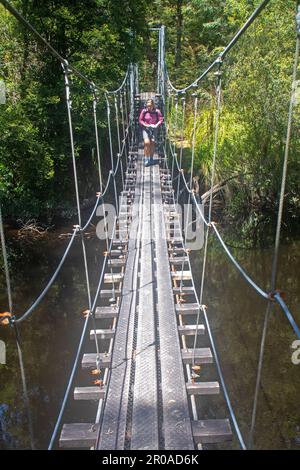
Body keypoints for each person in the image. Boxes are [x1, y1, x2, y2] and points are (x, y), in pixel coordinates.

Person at [139, 98, 163, 166]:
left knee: (152, 143)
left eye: (150, 105)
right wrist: (145, 124)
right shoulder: (144, 111)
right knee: (147, 143)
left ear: (153, 105)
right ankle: (146, 159)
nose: (149, 107)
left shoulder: (157, 111)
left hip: (154, 129)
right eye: (148, 105)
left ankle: (151, 159)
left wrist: (156, 125)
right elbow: (140, 120)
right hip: (146, 129)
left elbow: (160, 119)